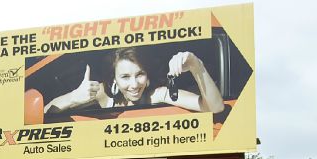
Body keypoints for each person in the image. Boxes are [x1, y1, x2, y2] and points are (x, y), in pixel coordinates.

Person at [44, 47, 224, 114]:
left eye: (140, 74)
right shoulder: (101, 93)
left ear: (148, 75)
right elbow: (45, 113)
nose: (134, 84)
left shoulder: (158, 94)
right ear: (113, 79)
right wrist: (74, 98)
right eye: (124, 77)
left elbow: (214, 107)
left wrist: (196, 65)